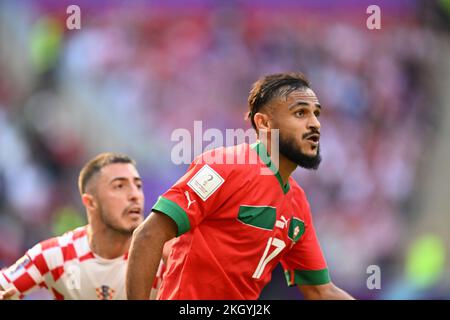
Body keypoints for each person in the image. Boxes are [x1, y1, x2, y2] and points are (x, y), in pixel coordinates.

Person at [126, 72, 354, 300]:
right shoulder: (224, 168)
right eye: (300, 113)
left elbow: (321, 291)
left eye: (316, 114)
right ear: (264, 123)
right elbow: (149, 235)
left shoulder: (298, 203)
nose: (315, 124)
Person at [0, 153, 164, 300]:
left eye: (138, 186)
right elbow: (4, 286)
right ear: (91, 202)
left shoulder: (161, 262)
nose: (135, 195)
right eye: (119, 186)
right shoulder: (54, 256)